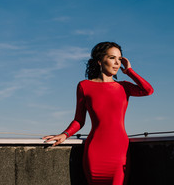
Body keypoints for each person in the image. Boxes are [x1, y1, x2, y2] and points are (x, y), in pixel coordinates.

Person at [43, 41, 153, 185]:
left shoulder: (124, 87)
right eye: (112, 58)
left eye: (119, 59)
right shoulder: (84, 86)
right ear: (100, 61)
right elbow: (79, 120)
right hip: (94, 152)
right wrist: (65, 134)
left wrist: (129, 71)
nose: (117, 63)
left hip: (119, 152)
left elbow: (148, 90)